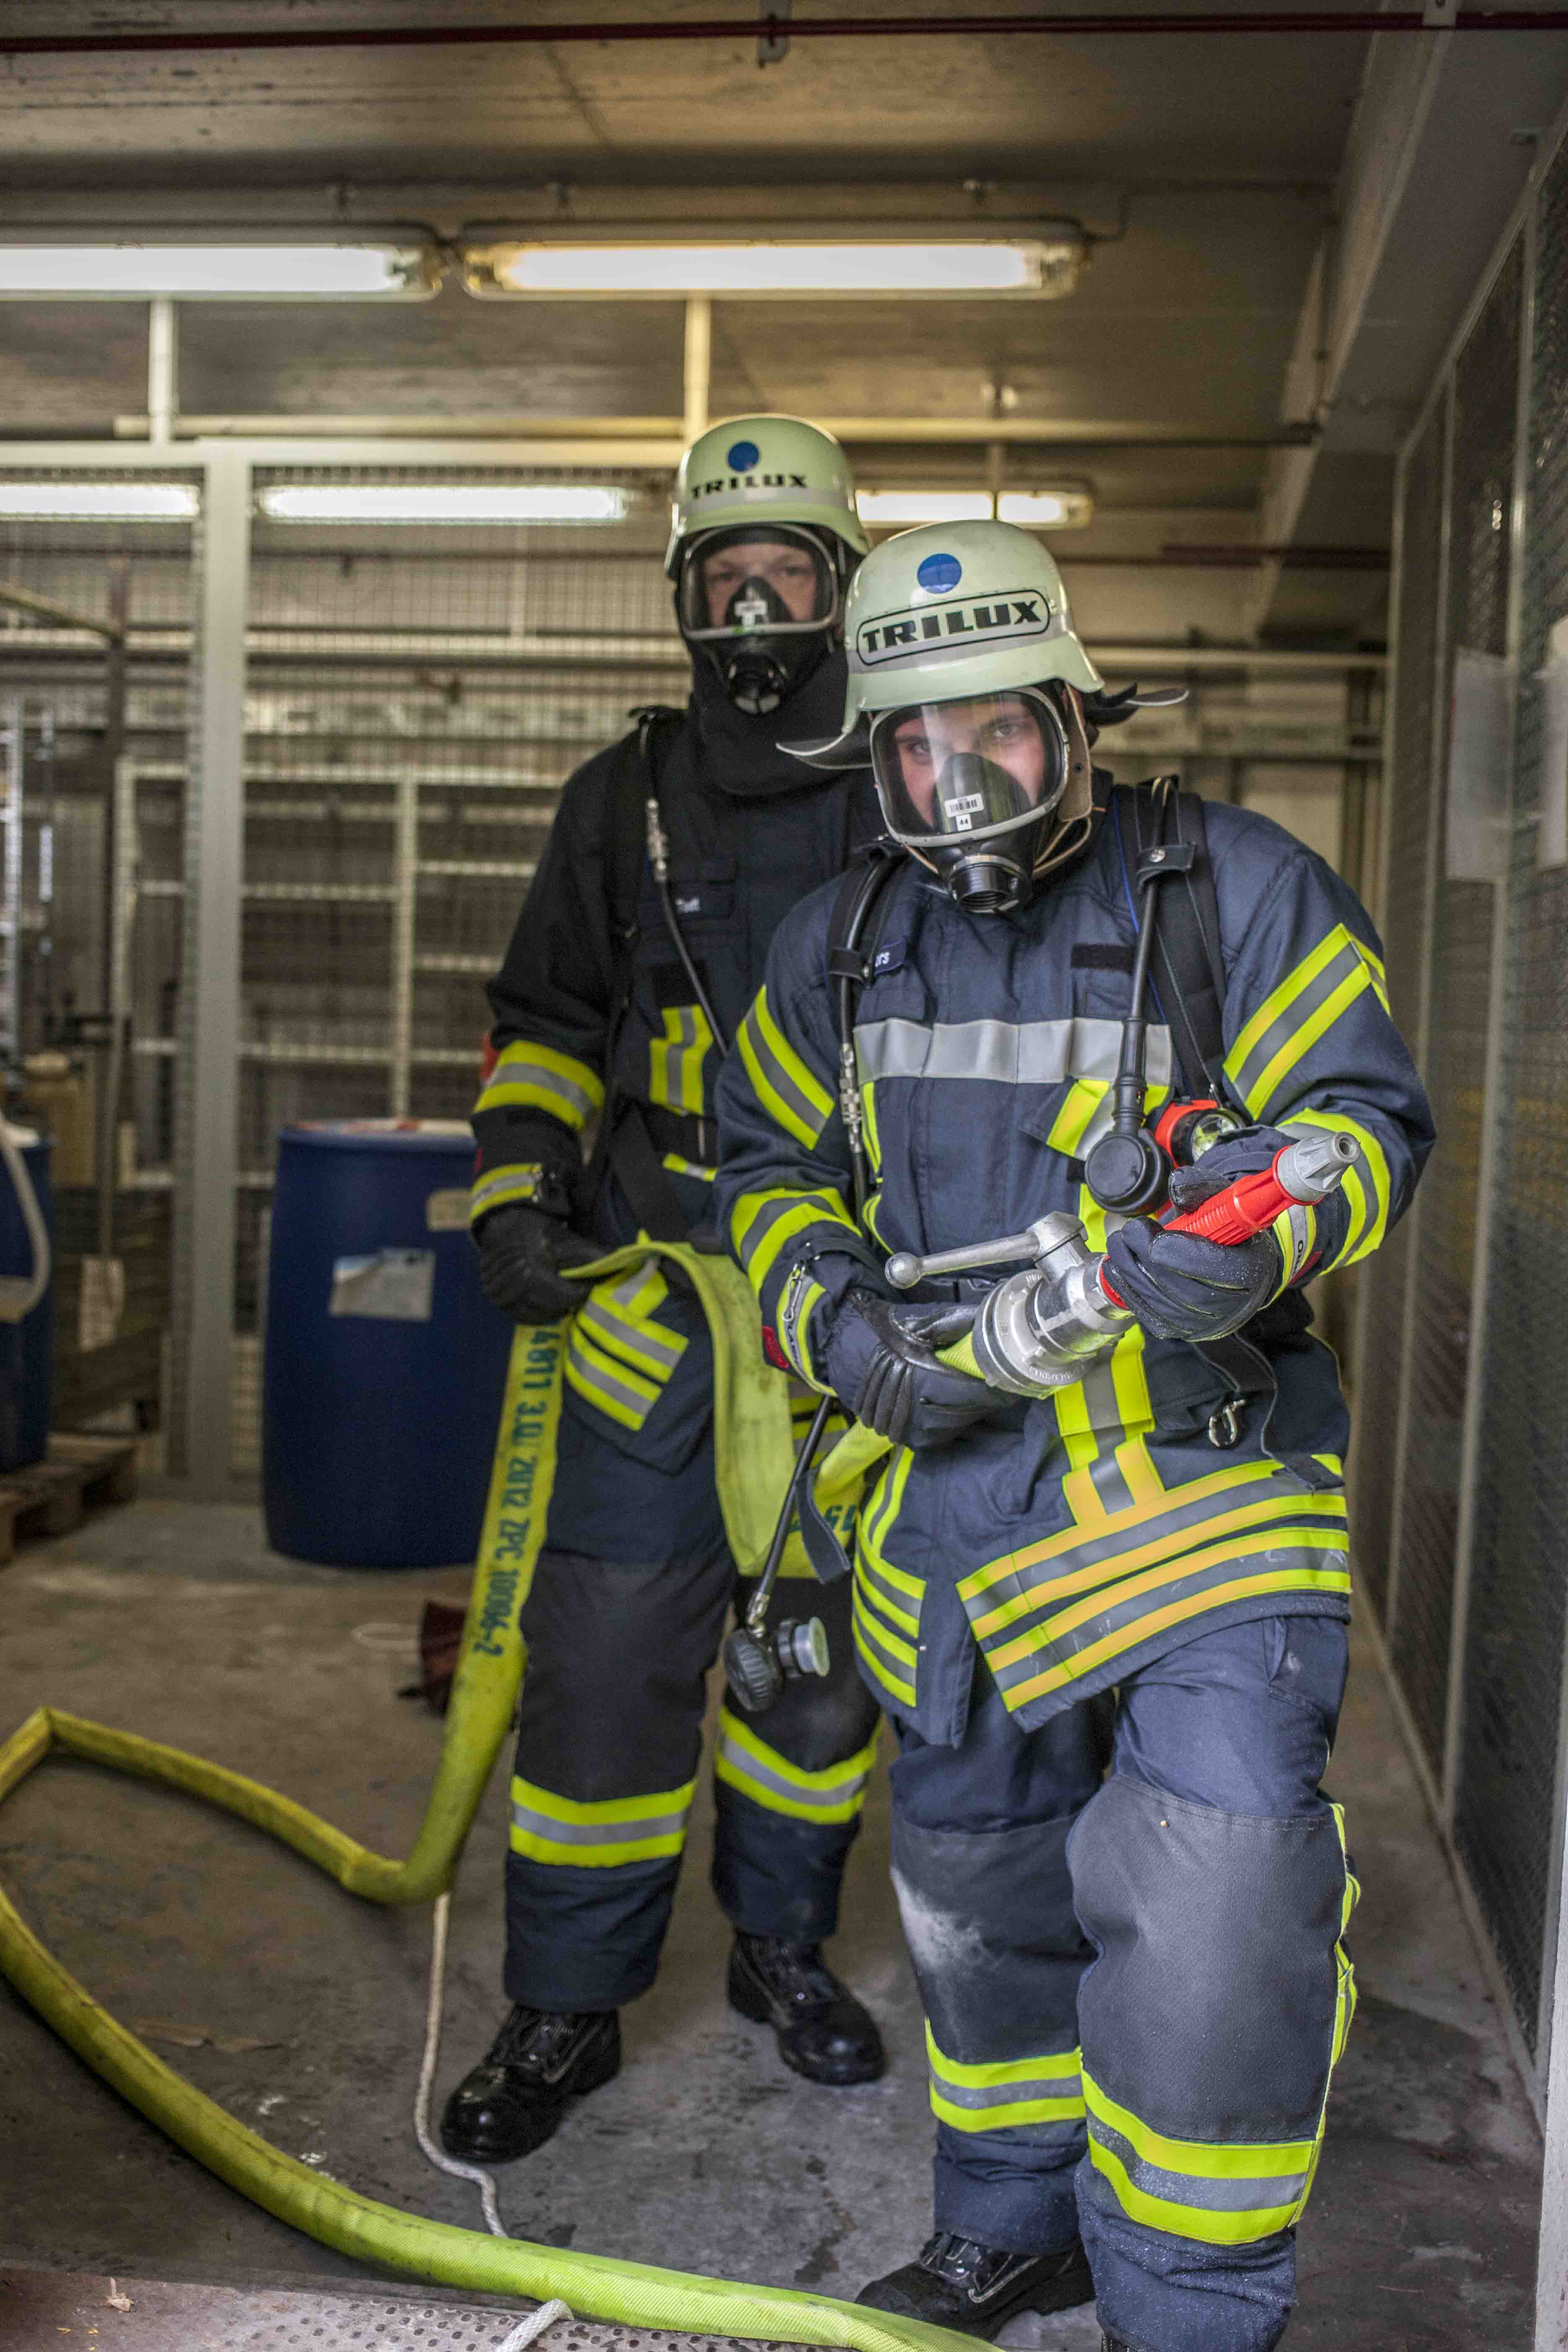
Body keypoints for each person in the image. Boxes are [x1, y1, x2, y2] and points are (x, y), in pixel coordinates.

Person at [714, 519, 1434, 2348]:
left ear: (1076, 722)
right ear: (871, 760)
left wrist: (1263, 1225)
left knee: (1214, 1927)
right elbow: (770, 1171)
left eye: (1004, 734)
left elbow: (1360, 1120)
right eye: (919, 747)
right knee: (976, 1897)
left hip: (1201, 1493)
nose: (964, 782)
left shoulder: (1234, 892)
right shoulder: (840, 945)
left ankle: (1186, 2314)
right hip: (952, 1519)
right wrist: (838, 1325)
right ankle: (1012, 2227)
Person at [441, 417, 890, 2169]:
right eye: (726, 574)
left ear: (842, 586)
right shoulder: (617, 796)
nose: (756, 599)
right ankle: (566, 2001)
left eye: (787, 568)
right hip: (647, 1314)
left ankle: (783, 1946)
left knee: (818, 1671)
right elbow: (546, 1028)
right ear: (683, 600)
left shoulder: (907, 792)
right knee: (608, 1665)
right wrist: (511, 1204)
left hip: (835, 1314)